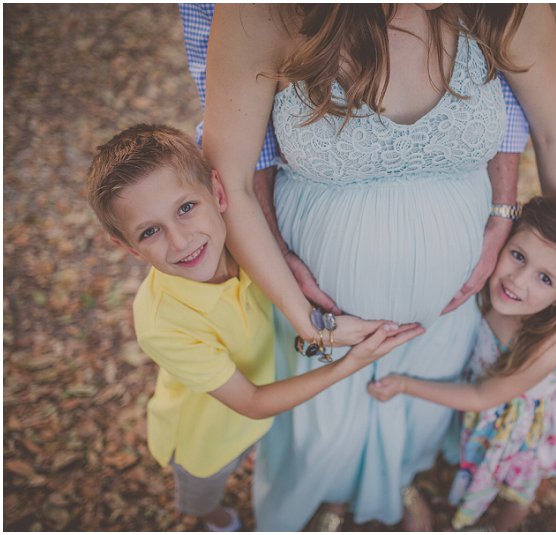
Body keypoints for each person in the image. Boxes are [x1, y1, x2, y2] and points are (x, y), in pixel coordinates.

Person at [201, 4, 556, 530]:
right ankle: (330, 494)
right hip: (319, 299)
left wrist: (543, 257)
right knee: (325, 417)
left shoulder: (502, 7)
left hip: (448, 300)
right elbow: (231, 179)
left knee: (421, 399)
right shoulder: (262, 13)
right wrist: (298, 306)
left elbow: (555, 131)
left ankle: (397, 478)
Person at [85, 124, 424, 531]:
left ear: (218, 191)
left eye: (186, 208)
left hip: (265, 408)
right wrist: (349, 364)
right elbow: (250, 401)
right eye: (150, 231)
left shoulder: (247, 248)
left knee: (257, 447)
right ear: (128, 247)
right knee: (203, 492)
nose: (180, 241)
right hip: (205, 438)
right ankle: (213, 518)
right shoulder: (160, 323)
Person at [369, 193, 556, 530]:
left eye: (545, 279)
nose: (517, 280)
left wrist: (405, 384)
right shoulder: (490, 284)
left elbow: (481, 397)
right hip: (486, 395)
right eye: (518, 255)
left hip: (519, 421)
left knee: (518, 487)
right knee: (472, 455)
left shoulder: (548, 346)